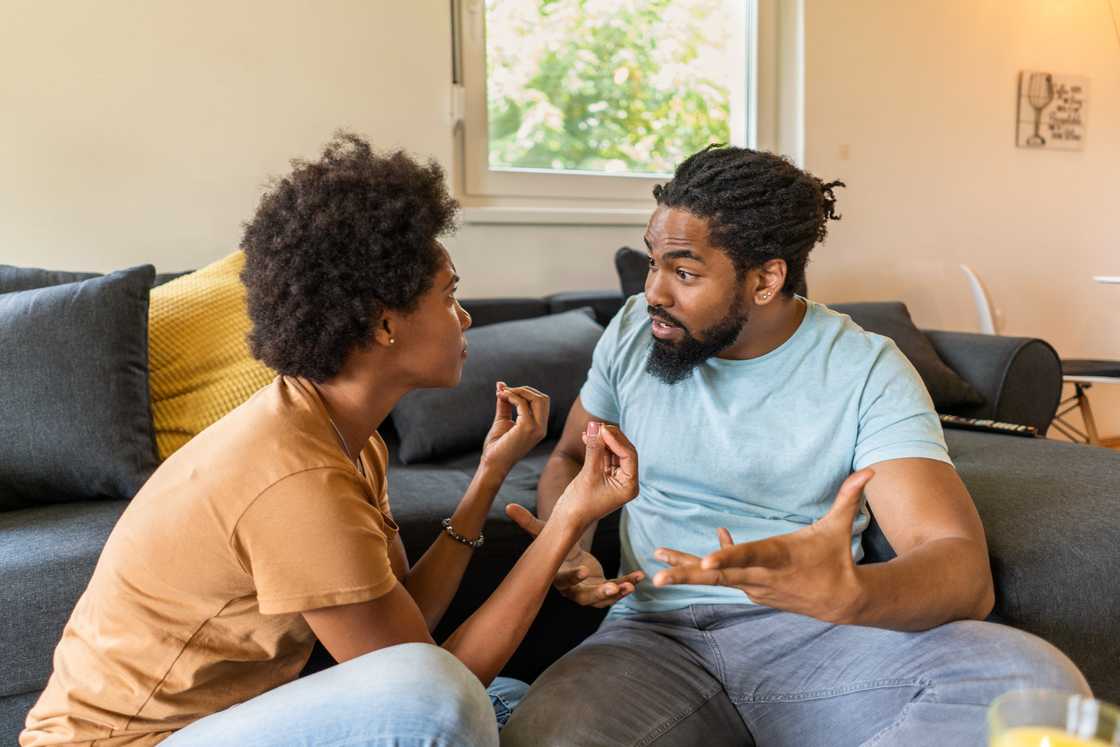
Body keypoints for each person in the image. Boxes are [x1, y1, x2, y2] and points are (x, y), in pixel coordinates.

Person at [20, 132, 639, 747]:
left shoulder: (340, 434)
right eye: (450, 297)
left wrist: (487, 479)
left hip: (218, 726)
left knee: (510, 702)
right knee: (459, 709)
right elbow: (425, 693)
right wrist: (566, 523)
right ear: (383, 324)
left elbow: (403, 638)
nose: (466, 317)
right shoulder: (296, 476)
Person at [500, 145, 1090, 746]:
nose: (655, 291)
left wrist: (853, 594)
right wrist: (564, 541)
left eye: (683, 272)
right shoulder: (633, 331)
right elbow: (573, 455)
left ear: (765, 279)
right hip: (652, 636)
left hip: (820, 636)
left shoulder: (863, 368)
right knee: (546, 736)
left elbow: (960, 566)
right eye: (654, 262)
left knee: (1032, 688)